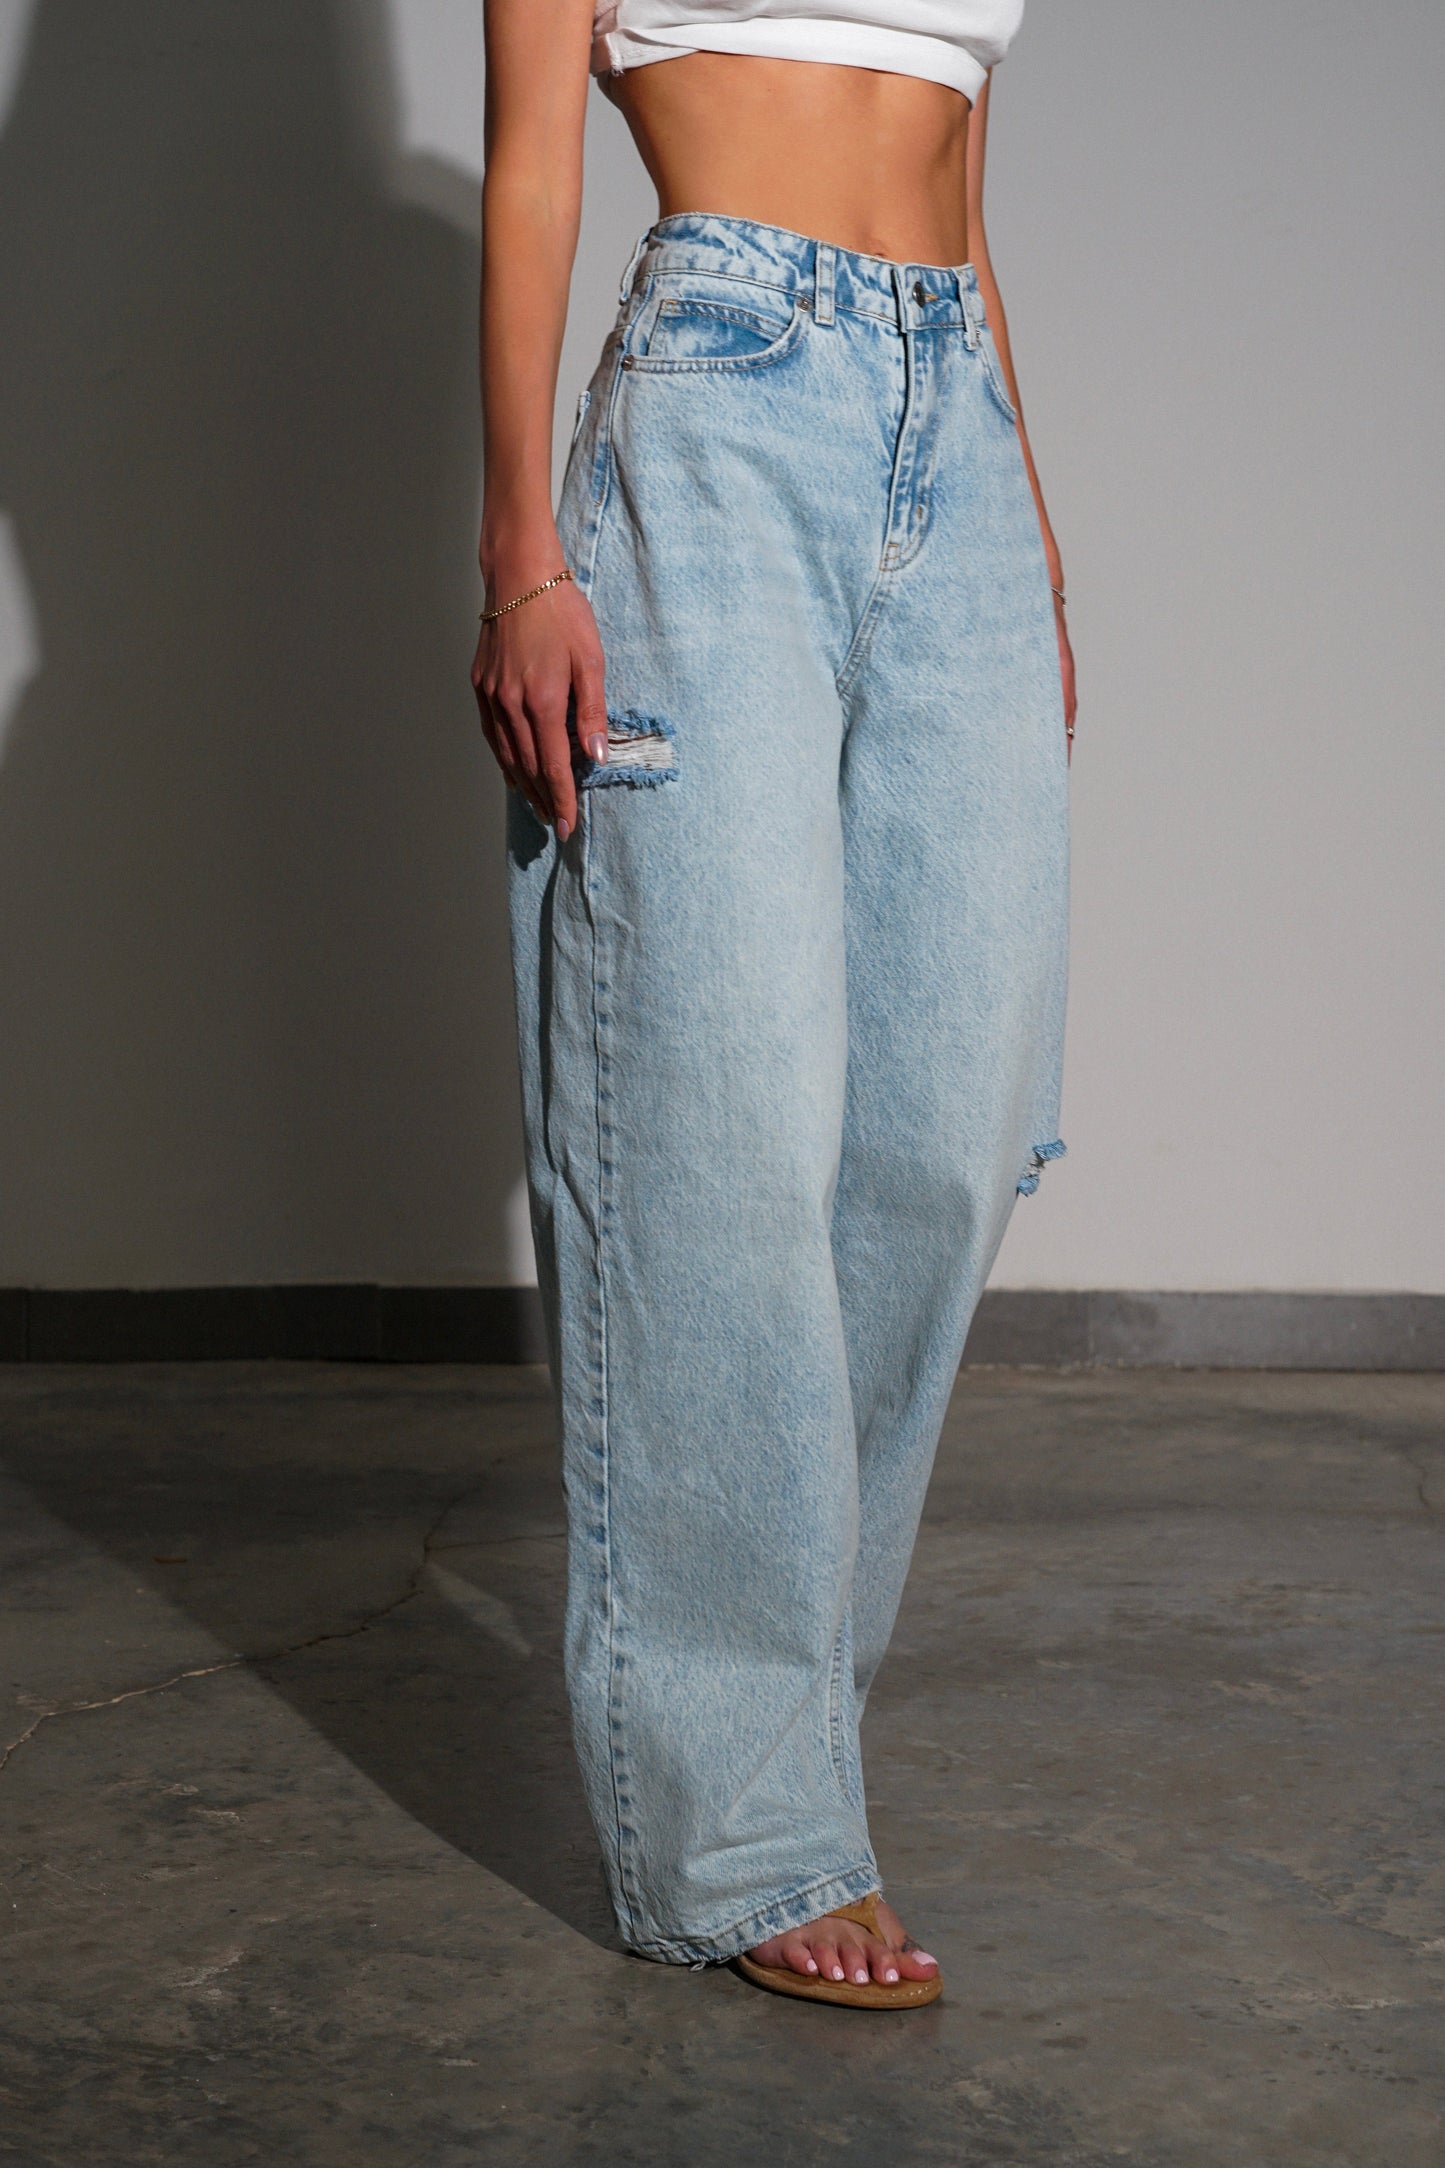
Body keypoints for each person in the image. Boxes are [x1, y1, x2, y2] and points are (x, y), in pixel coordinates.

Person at [472, 0, 1073, 2010]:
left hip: (954, 419)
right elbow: (535, 163)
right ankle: (743, 1828)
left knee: (944, 1134)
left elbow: (962, 178)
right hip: (722, 404)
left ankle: (784, 1723)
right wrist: (522, 561)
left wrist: (1026, 532)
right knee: (719, 1134)